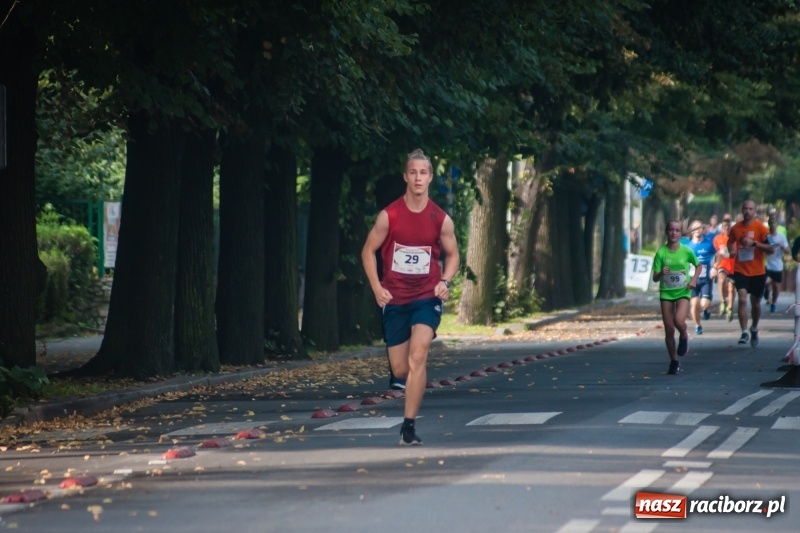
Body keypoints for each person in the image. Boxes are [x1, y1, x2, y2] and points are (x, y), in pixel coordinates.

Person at [361, 149, 460, 446]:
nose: (418, 178)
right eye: (413, 172)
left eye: (423, 173)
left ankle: (408, 426)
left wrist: (445, 281)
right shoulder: (389, 216)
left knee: (419, 355)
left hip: (427, 296)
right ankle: (406, 401)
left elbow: (453, 256)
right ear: (406, 177)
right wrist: (377, 288)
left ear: (430, 177)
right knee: (401, 368)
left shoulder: (440, 219)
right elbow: (368, 251)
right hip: (395, 299)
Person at [652, 220, 701, 375]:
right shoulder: (661, 253)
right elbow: (654, 278)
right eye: (671, 230)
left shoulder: (686, 251)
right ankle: (674, 361)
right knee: (668, 327)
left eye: (677, 230)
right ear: (667, 232)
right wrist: (661, 273)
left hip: (683, 292)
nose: (674, 233)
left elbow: (699, 266)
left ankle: (684, 335)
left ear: (680, 233)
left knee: (678, 321)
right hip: (666, 292)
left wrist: (693, 279)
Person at [727, 200, 773, 347]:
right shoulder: (735, 228)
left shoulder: (761, 228)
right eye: (745, 208)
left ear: (754, 211)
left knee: (756, 303)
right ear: (742, 210)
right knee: (741, 299)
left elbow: (771, 248)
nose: (747, 211)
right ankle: (744, 331)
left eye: (750, 209)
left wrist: (754, 243)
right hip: (740, 270)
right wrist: (732, 250)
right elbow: (730, 241)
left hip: (758, 271)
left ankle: (754, 328)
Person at [687, 220, 716, 334]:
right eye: (695, 228)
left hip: (705, 279)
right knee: (694, 303)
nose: (697, 230)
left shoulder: (709, 244)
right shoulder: (687, 246)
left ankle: (706, 309)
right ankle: (697, 325)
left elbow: (717, 256)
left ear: (703, 230)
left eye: (700, 228)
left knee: (703, 303)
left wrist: (715, 268)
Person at [765, 216, 790, 313]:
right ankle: (766, 290)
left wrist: (782, 246)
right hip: (767, 264)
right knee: (767, 282)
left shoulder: (781, 237)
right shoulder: (766, 237)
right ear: (769, 224)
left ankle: (774, 303)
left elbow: (788, 251)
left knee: (776, 287)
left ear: (777, 224)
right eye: (771, 223)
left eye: (774, 222)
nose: (773, 225)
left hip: (778, 265)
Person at [712, 218, 736, 321]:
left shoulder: (735, 239)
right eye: (724, 226)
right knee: (721, 280)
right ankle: (722, 301)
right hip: (722, 265)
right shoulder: (717, 239)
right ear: (721, 227)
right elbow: (715, 253)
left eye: (728, 226)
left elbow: (738, 252)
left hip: (734, 266)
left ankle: (730, 308)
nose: (726, 228)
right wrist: (715, 262)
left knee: (731, 288)